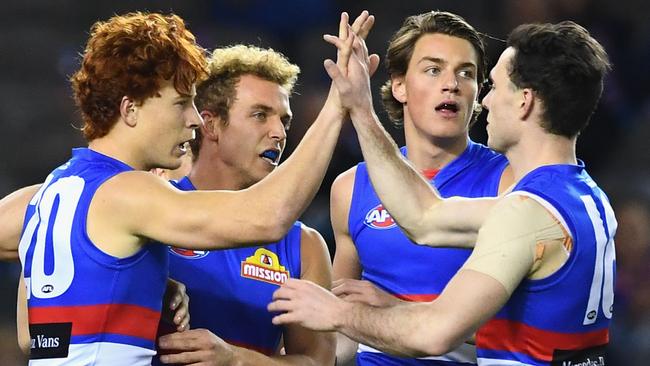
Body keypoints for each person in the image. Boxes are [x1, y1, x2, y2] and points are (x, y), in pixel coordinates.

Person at [0, 10, 361, 365]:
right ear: (130, 109)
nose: (193, 119)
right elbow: (268, 217)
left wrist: (139, 281)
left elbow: (31, 336)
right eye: (180, 103)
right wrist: (336, 107)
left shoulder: (51, 192)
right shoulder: (131, 193)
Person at [270, 20, 615, 366]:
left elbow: (434, 334)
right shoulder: (582, 197)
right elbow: (426, 218)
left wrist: (337, 313)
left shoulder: (526, 211)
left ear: (524, 101)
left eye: (491, 85)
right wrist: (359, 107)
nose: (487, 100)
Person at [330, 11, 511, 365]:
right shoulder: (350, 188)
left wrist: (397, 311)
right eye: (433, 69)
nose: (452, 84)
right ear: (399, 86)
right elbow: (339, 329)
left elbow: (525, 326)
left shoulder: (509, 182)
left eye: (466, 73)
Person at [152, 44, 335, 365]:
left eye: (285, 121)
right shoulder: (151, 211)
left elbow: (317, 362)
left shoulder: (303, 245)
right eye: (260, 115)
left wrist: (237, 359)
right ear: (209, 125)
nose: (278, 133)